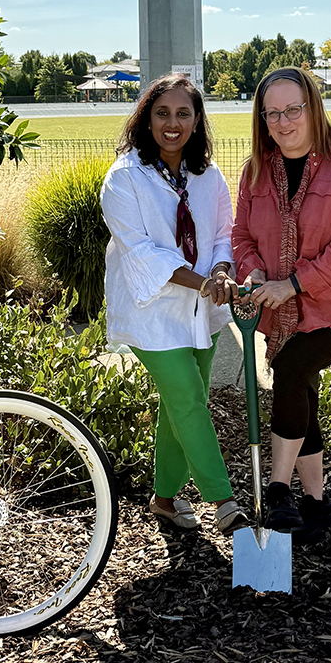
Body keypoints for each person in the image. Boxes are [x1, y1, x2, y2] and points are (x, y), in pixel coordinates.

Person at [232, 66, 331, 542]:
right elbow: (240, 237)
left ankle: (277, 490)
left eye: (292, 109)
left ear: (313, 107)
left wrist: (293, 284)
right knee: (301, 390)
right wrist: (253, 270)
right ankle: (317, 505)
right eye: (272, 112)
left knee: (292, 369)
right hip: (281, 304)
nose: (283, 121)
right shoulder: (256, 169)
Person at [100, 72, 246, 534]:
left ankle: (164, 499)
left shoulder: (209, 176)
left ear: (198, 119)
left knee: (181, 404)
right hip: (152, 313)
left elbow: (225, 233)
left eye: (184, 113)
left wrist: (221, 271)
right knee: (187, 399)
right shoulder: (124, 179)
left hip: (203, 309)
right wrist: (202, 281)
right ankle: (224, 504)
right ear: (146, 119)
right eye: (162, 113)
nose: (172, 123)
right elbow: (141, 252)